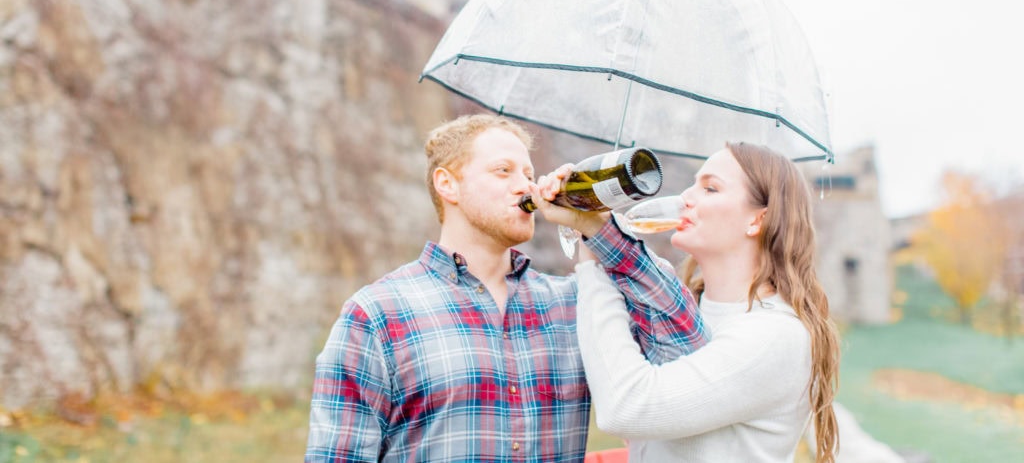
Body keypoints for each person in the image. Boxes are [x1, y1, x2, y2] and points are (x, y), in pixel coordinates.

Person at [304, 114, 707, 462]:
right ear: (448, 184)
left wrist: (595, 228)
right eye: (503, 171)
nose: (526, 187)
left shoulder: (575, 305)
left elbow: (686, 345)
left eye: (530, 175)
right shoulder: (376, 316)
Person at [532, 141, 841, 462]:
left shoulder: (776, 337)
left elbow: (625, 408)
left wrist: (593, 266)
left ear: (757, 220)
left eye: (710, 188)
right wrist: (587, 220)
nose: (685, 198)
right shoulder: (675, 311)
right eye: (693, 184)